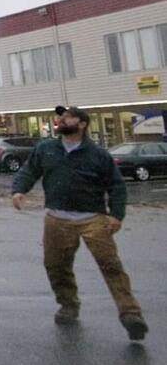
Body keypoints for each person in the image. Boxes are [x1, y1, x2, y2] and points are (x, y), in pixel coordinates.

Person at [11, 105, 148, 341]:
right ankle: (68, 305)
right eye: (60, 117)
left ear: (82, 123)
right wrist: (18, 190)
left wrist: (116, 215)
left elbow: (116, 186)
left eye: (67, 117)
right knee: (56, 266)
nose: (61, 120)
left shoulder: (97, 155)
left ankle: (131, 315)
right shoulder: (47, 149)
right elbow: (29, 170)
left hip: (93, 219)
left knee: (111, 266)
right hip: (56, 219)